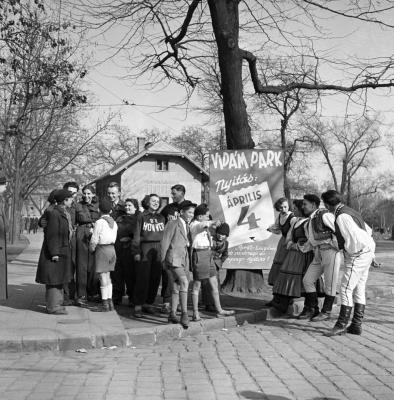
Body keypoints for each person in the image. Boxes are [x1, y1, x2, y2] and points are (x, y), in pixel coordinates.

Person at [321, 190, 375, 336]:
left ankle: (341, 325)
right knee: (359, 288)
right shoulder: (349, 210)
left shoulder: (341, 216)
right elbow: (368, 231)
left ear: (326, 204)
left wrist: (351, 254)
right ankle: (356, 325)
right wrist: (371, 256)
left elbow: (354, 240)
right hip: (367, 250)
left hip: (359, 253)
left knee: (345, 288)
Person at [300, 194, 341, 321]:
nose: (303, 206)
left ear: (313, 204)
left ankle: (326, 311)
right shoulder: (310, 220)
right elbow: (311, 241)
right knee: (307, 280)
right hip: (317, 253)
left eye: (305, 204)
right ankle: (313, 309)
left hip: (330, 252)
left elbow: (339, 230)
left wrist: (336, 245)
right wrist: (299, 247)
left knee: (330, 284)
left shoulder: (324, 215)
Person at [190, 204, 234, 321]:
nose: (208, 218)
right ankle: (195, 313)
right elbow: (203, 224)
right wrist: (213, 222)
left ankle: (219, 310)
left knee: (214, 284)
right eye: (206, 216)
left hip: (208, 254)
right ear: (199, 217)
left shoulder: (204, 226)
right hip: (199, 254)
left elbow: (207, 225)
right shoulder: (195, 225)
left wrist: (214, 224)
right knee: (197, 285)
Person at [271, 199, 314, 314]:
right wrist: (290, 243)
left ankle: (309, 308)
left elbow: (310, 241)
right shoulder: (296, 221)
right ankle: (282, 303)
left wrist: (298, 246)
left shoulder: (308, 222)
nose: (293, 210)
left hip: (303, 255)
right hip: (293, 253)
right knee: (286, 276)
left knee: (301, 280)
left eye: (295, 208)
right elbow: (289, 235)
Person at [36, 189, 74, 315]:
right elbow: (52, 234)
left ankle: (56, 304)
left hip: (61, 250)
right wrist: (54, 253)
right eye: (71, 198)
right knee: (53, 279)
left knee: (58, 279)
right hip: (56, 252)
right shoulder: (54, 213)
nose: (72, 200)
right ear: (65, 200)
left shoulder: (62, 211)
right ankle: (53, 307)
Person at [161, 200, 196, 329]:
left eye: (193, 212)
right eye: (189, 212)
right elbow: (165, 242)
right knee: (185, 283)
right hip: (173, 259)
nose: (192, 215)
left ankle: (172, 314)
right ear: (181, 212)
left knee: (176, 287)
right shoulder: (172, 223)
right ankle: (185, 314)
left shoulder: (186, 225)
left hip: (183, 260)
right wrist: (163, 260)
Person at [132, 194, 165, 318]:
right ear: (147, 202)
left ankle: (148, 303)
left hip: (158, 249)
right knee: (143, 277)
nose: (156, 203)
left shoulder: (161, 217)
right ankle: (138, 305)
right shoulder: (141, 216)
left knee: (155, 278)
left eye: (158, 201)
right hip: (144, 248)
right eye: (153, 201)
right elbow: (136, 235)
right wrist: (136, 251)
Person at [160, 184, 189, 313]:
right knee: (169, 277)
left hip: (183, 249)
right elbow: (160, 220)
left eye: (174, 193)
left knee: (182, 279)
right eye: (171, 193)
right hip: (170, 246)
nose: (172, 196)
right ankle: (167, 302)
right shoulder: (168, 208)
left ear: (182, 193)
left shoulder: (188, 207)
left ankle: (179, 305)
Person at [89, 198, 118, 312]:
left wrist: (92, 249)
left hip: (102, 249)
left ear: (100, 210)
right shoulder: (114, 223)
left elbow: (94, 238)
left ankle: (104, 303)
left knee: (102, 277)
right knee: (108, 276)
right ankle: (110, 302)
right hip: (112, 249)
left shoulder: (99, 222)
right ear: (110, 210)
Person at [266, 197, 296, 307]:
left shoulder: (293, 218)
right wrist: (270, 229)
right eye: (281, 207)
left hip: (290, 244)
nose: (283, 209)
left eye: (285, 207)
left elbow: (294, 232)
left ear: (289, 206)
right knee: (277, 269)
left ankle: (288, 299)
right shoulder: (280, 216)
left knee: (287, 270)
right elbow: (278, 229)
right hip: (282, 243)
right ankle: (276, 298)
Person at [74, 185, 100, 307]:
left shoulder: (98, 206)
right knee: (82, 266)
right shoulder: (78, 206)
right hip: (82, 235)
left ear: (93, 194)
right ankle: (81, 295)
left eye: (89, 193)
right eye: (84, 193)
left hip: (95, 235)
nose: (86, 196)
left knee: (93, 267)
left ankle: (93, 293)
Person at [115, 198, 139, 306]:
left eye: (130, 206)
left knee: (130, 275)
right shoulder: (120, 218)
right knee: (118, 274)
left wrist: (129, 238)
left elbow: (139, 234)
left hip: (131, 250)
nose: (127, 208)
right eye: (126, 206)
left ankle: (132, 297)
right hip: (119, 249)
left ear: (135, 207)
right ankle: (117, 296)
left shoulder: (139, 219)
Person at [106, 182, 127, 304]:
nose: (111, 196)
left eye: (113, 193)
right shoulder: (105, 205)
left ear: (119, 193)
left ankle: (122, 295)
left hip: (122, 241)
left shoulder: (125, 206)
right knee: (113, 270)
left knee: (122, 269)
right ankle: (115, 295)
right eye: (109, 193)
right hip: (110, 242)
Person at [202, 222, 230, 311]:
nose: (221, 236)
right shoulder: (210, 239)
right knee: (206, 285)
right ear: (216, 232)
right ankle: (208, 304)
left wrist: (220, 262)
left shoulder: (226, 243)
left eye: (224, 235)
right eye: (220, 234)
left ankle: (215, 303)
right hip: (207, 263)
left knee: (216, 285)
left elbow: (225, 254)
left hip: (216, 265)